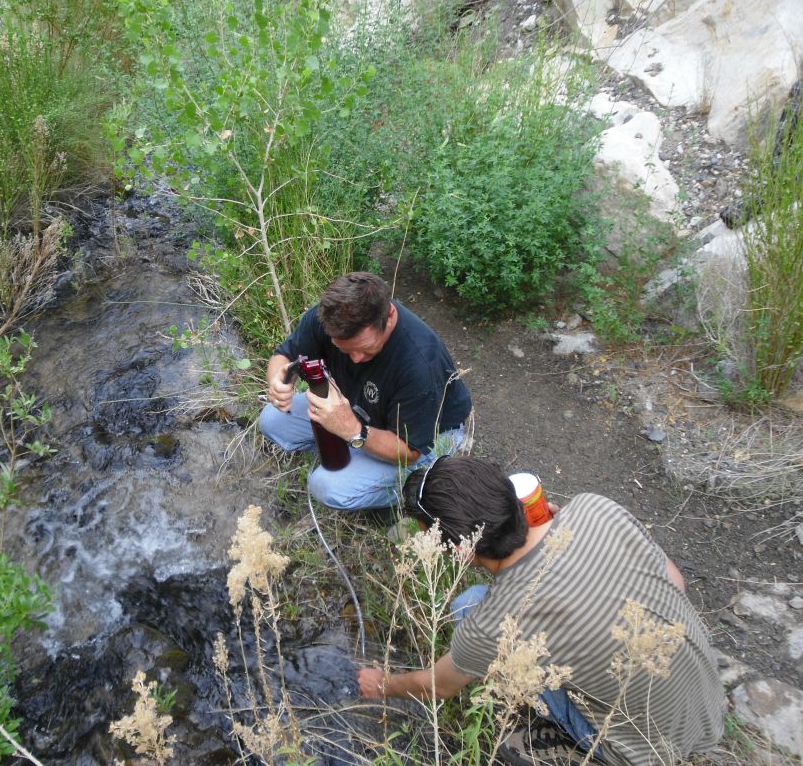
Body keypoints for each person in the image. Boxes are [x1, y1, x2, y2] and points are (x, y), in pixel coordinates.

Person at [357, 456, 725, 766]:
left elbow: (436, 687)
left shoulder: (492, 623)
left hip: (642, 751)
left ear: (461, 551)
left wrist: (382, 685)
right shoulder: (593, 508)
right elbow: (676, 583)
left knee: (468, 606)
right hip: (709, 706)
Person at [260, 272, 472, 513]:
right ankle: (357, 457)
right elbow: (284, 355)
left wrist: (352, 431)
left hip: (425, 438)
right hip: (360, 410)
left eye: (365, 349)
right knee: (272, 418)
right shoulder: (328, 317)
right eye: (345, 350)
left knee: (326, 487)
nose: (356, 359)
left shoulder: (419, 363)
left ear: (389, 316)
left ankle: (414, 486)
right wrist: (278, 380)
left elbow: (409, 451)